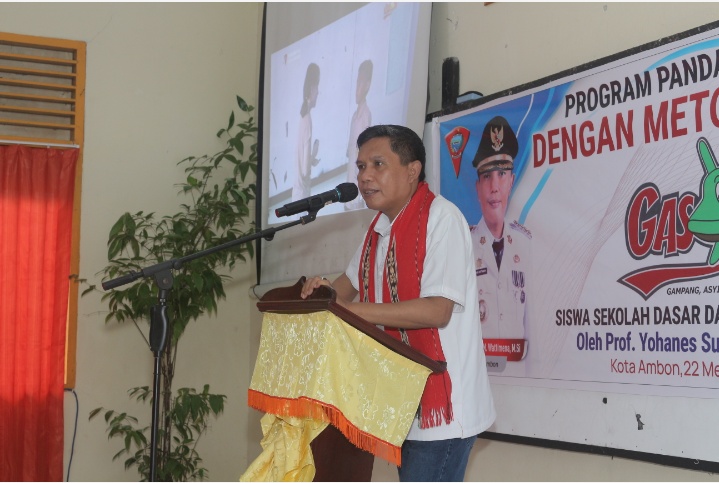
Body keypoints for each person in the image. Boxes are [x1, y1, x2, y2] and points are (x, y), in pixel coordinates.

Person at [301, 125, 495, 482]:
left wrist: (348, 311)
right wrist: (318, 292)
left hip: (443, 411)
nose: (365, 176)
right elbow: (341, 292)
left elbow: (437, 310)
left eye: (378, 164)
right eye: (361, 167)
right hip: (403, 402)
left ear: (412, 170)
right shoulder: (377, 230)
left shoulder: (442, 219)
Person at [470, 116, 532, 356]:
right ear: (477, 188)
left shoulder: (526, 246)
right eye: (487, 177)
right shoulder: (463, 246)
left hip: (519, 371)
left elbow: (533, 330)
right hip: (479, 370)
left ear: (511, 182)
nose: (494, 187)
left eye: (501, 174)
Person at [344, 59, 373, 211]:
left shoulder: (364, 116)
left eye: (360, 83)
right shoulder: (355, 116)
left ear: (367, 85)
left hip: (357, 194)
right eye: (356, 82)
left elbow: (362, 158)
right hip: (348, 188)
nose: (356, 88)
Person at [293, 62, 321, 201]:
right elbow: (305, 171)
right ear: (311, 88)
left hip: (298, 192)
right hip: (302, 195)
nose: (318, 92)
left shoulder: (303, 117)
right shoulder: (307, 120)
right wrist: (314, 153)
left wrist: (311, 158)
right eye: (317, 87)